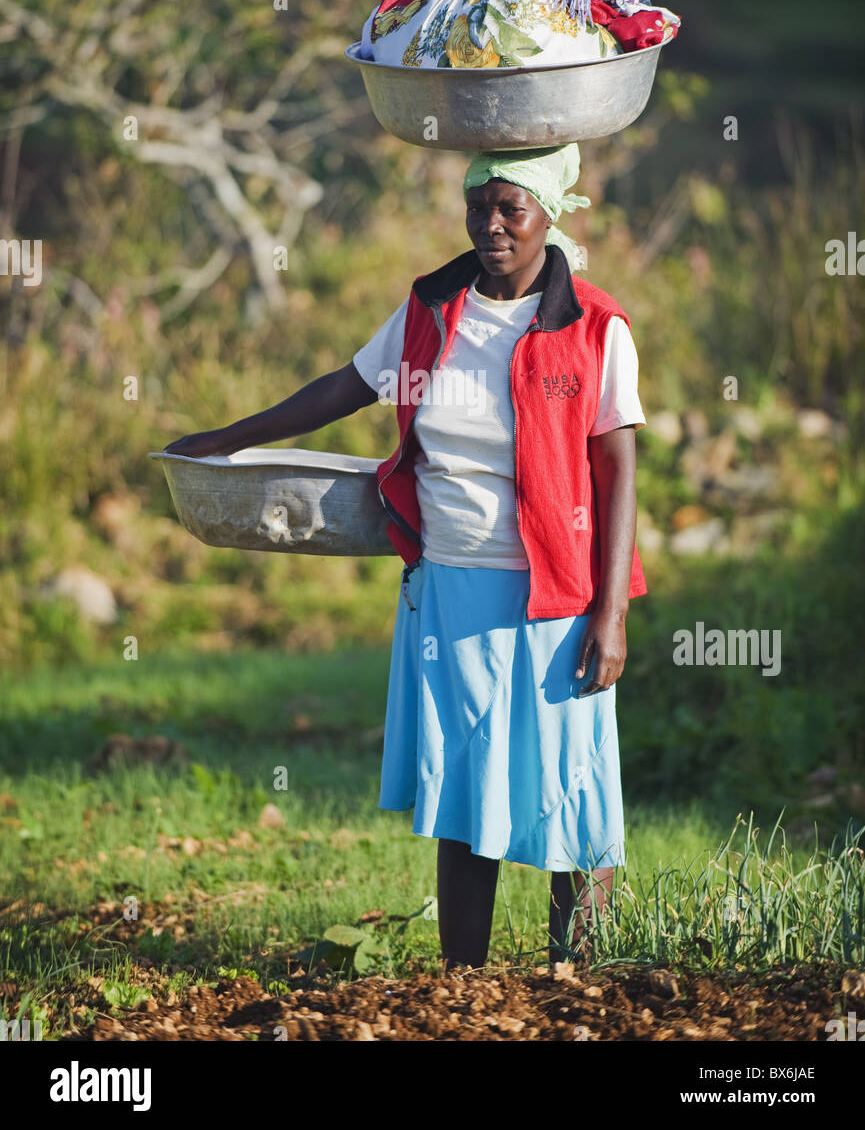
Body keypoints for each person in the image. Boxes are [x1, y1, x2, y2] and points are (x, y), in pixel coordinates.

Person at [164, 142, 648, 974]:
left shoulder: (593, 326)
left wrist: (610, 612)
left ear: (547, 217)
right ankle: (464, 981)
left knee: (569, 784)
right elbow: (342, 388)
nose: (490, 226)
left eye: (511, 209)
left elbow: (618, 472)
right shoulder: (432, 309)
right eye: (477, 209)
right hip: (449, 587)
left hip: (557, 594)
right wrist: (225, 439)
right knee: (464, 791)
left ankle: (579, 977)